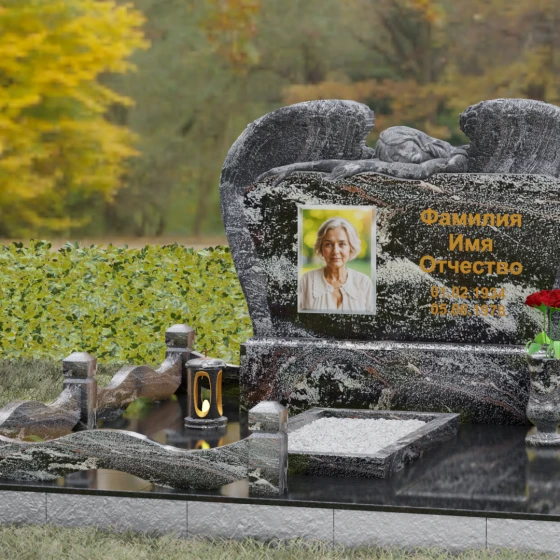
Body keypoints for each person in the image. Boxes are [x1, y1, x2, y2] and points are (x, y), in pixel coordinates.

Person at [299, 217, 375, 313]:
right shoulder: (307, 281)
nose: (335, 251)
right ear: (321, 248)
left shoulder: (364, 283)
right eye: (328, 244)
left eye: (342, 244)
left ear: (350, 248)